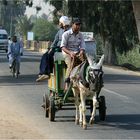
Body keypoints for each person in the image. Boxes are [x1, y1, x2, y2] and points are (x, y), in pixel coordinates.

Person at [36, 16, 71, 82]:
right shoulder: (60, 31)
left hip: (64, 49)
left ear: (63, 23)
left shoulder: (70, 31)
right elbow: (55, 41)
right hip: (56, 48)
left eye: (60, 23)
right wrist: (51, 48)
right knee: (45, 55)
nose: (59, 24)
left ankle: (46, 73)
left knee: (49, 56)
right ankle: (43, 73)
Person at [60, 18, 86, 90]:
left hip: (77, 52)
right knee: (71, 63)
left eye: (79, 25)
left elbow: (83, 45)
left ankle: (84, 80)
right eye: (76, 24)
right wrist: (70, 53)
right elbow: (63, 47)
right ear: (72, 25)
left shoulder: (80, 35)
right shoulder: (66, 34)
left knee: (85, 62)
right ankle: (67, 83)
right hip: (67, 52)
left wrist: (81, 51)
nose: (78, 26)